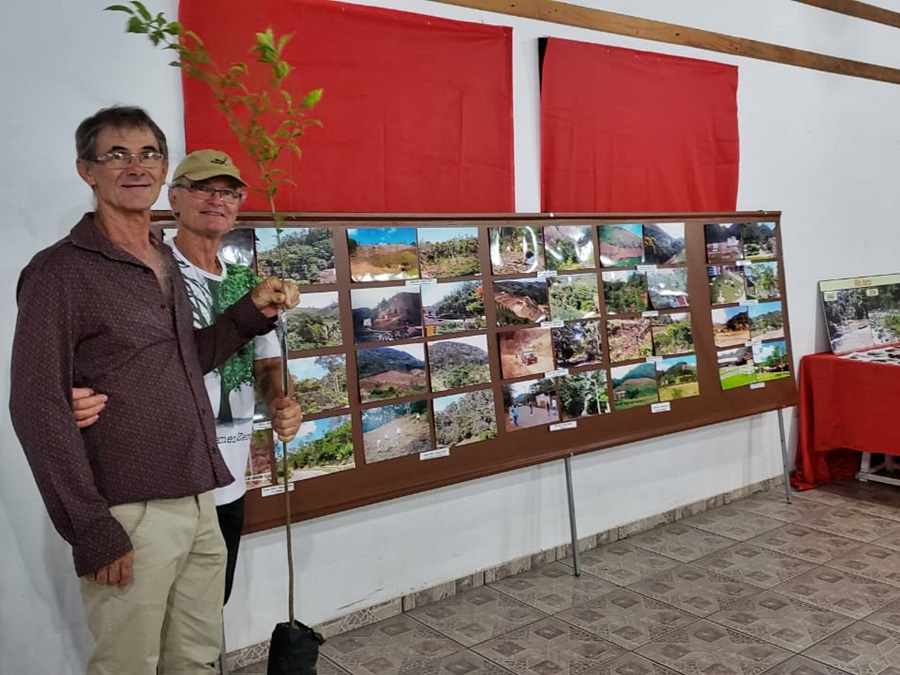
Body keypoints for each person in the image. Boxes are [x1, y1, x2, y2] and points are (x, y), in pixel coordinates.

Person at [8, 106, 300, 675]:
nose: (135, 166)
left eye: (148, 154)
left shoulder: (162, 260)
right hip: (130, 509)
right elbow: (36, 405)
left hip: (200, 496)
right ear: (86, 170)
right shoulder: (59, 272)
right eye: (116, 154)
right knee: (128, 665)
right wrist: (91, 528)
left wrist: (249, 312)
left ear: (163, 169)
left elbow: (186, 360)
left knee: (194, 658)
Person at [73, 148, 303, 605]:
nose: (216, 199)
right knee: (144, 618)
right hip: (161, 486)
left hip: (229, 479)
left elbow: (266, 364)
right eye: (202, 188)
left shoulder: (248, 283)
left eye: (229, 193)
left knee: (206, 614)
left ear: (238, 206)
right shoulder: (150, 271)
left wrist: (281, 400)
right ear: (173, 198)